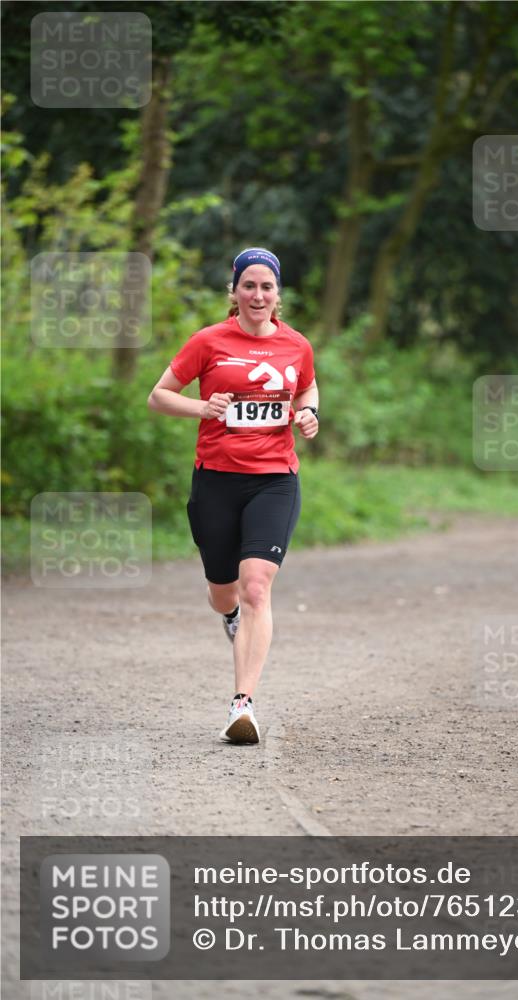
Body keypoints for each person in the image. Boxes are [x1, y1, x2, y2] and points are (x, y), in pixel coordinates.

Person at [147, 247, 318, 744]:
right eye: (249, 286)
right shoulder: (208, 341)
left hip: (275, 479)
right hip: (217, 480)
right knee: (224, 590)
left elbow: (307, 390)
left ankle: (242, 705)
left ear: (277, 294)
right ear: (235, 291)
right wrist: (203, 407)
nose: (258, 295)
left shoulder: (296, 345)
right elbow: (159, 395)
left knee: (257, 586)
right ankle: (229, 616)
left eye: (267, 287)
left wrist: (310, 415)